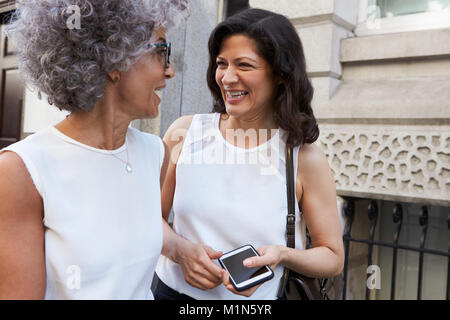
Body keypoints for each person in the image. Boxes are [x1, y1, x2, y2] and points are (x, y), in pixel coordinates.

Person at [0, 0, 188, 299]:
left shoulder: (155, 153)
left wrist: (183, 250)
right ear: (114, 60)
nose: (170, 71)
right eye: (161, 52)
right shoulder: (22, 170)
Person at [154, 8, 345, 300]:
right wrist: (180, 251)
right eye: (222, 64)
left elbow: (332, 256)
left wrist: (282, 255)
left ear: (280, 74)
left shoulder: (303, 157)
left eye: (244, 65)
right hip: (173, 295)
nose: (228, 77)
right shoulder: (184, 133)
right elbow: (148, 218)